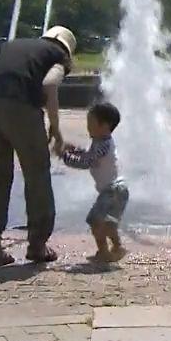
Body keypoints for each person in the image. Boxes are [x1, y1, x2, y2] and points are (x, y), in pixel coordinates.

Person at [0, 25, 76, 268]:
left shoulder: (10, 46)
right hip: (20, 109)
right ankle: (37, 245)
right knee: (37, 175)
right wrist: (55, 128)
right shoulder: (56, 55)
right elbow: (50, 84)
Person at [54, 101, 130, 263]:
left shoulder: (102, 145)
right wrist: (74, 149)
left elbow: (86, 162)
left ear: (104, 126)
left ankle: (103, 251)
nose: (87, 127)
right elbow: (90, 155)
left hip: (112, 190)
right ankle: (117, 247)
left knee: (95, 221)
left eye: (90, 123)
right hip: (119, 190)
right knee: (109, 223)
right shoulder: (103, 142)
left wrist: (64, 156)